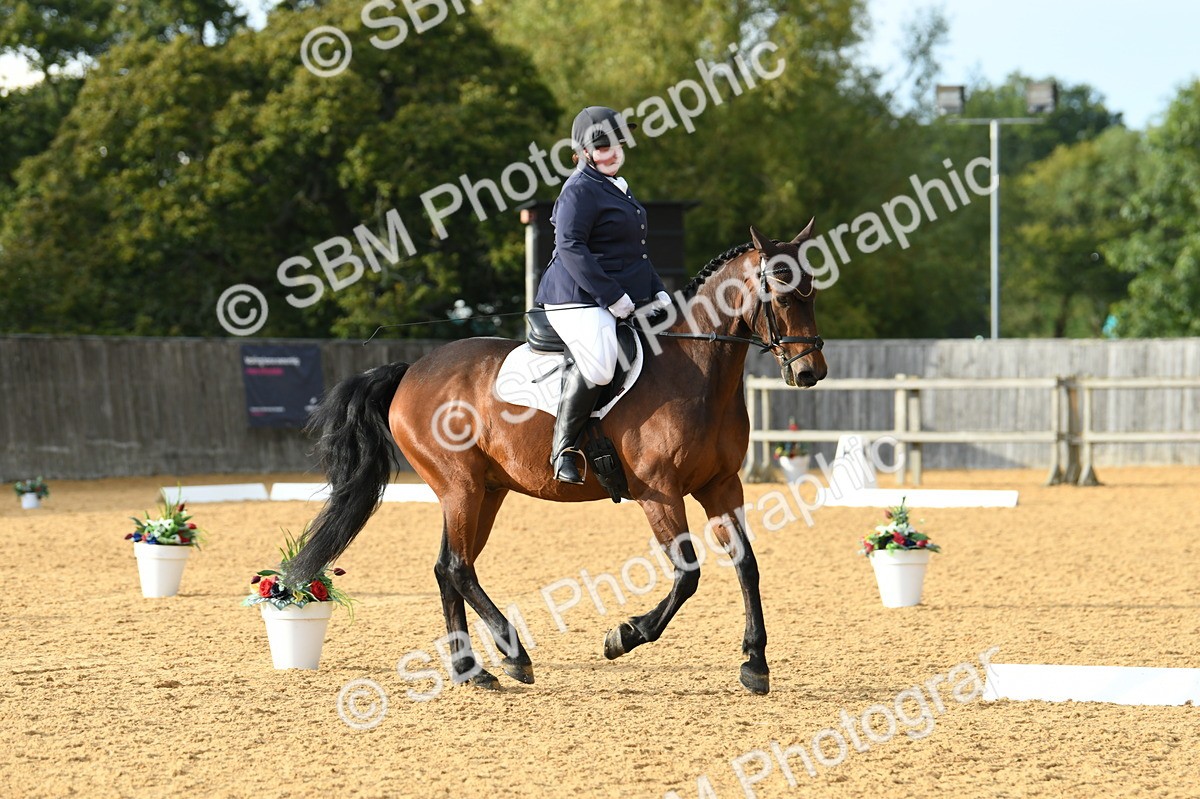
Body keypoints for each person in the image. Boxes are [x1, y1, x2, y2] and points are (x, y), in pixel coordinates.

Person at [535, 106, 672, 484]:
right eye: (601, 147)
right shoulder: (579, 189)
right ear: (583, 151)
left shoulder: (618, 187)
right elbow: (570, 247)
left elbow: (635, 252)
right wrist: (614, 297)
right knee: (599, 362)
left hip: (612, 293)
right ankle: (563, 448)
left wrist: (658, 291)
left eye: (615, 144)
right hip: (574, 296)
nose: (611, 152)